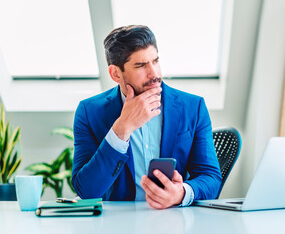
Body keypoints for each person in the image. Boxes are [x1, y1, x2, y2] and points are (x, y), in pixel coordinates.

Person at [72, 25, 221, 209]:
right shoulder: (89, 112)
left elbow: (211, 178)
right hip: (118, 223)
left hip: (175, 220)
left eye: (155, 61)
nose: (154, 74)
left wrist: (181, 193)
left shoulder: (193, 107)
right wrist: (122, 128)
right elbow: (87, 191)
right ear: (115, 73)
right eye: (141, 65)